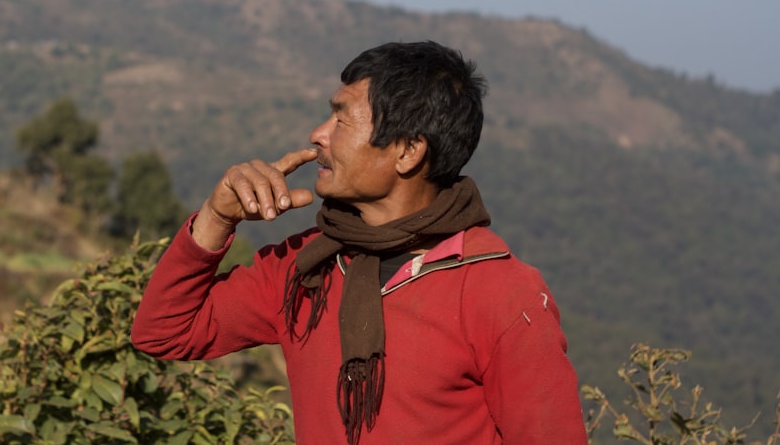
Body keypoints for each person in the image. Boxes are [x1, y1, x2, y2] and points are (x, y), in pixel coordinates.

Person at [131, 41, 588, 445]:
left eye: (341, 118)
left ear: (408, 151)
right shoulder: (306, 266)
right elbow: (164, 332)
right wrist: (216, 217)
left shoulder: (502, 295)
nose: (318, 134)